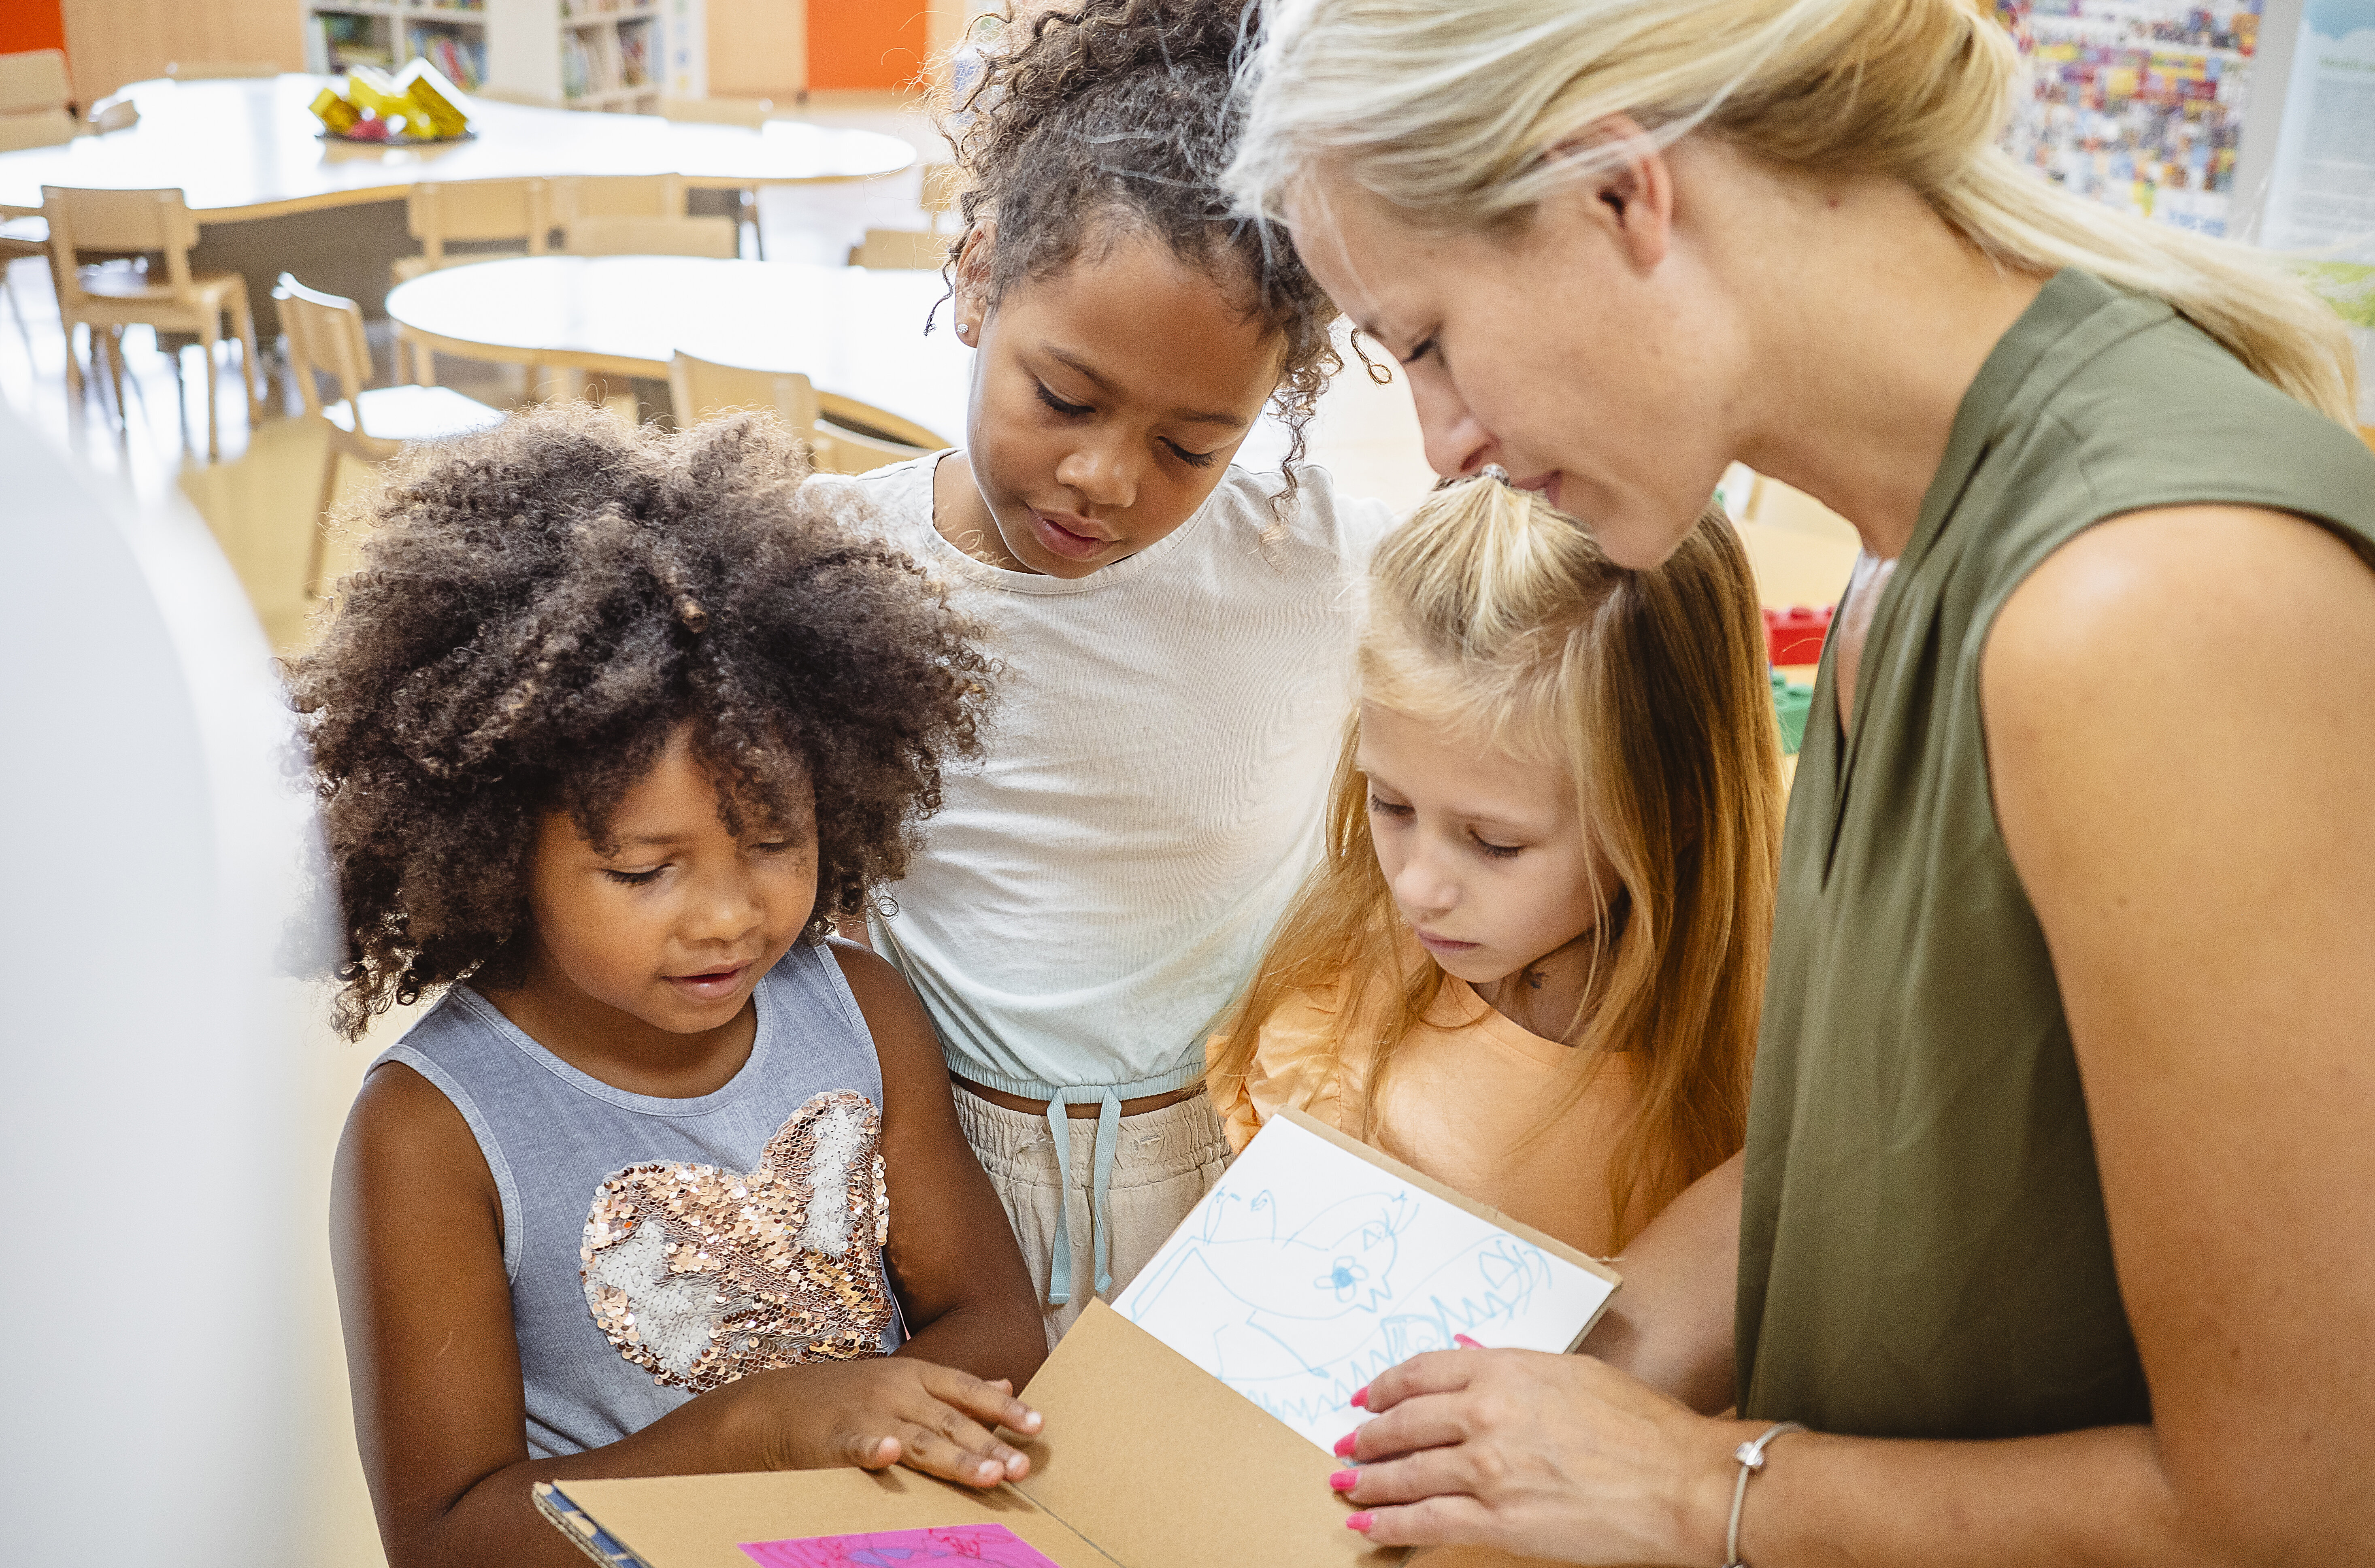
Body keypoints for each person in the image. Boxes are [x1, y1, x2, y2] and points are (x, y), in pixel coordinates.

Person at [1225, 0, 2375, 1561]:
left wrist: (1698, 1487)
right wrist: (1531, 1395)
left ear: (1620, 193)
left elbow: (2294, 1511)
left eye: (1427, 338)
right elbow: (1873, 1141)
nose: (1440, 441)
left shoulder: (2146, 604)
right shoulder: (1904, 555)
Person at [300, 406, 1049, 1568]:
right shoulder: (431, 1135)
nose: (730, 916)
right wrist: (763, 1429)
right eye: (644, 869)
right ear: (500, 849)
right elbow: (451, 1538)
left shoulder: (863, 1012)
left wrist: (880, 1426)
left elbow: (997, 1317)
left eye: (775, 840)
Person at [817, 0, 1390, 1344]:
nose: (1106, 480)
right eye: (1063, 399)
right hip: (925, 1190)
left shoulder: (1321, 566)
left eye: (1192, 446)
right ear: (973, 279)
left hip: (1234, 1181)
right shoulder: (830, 566)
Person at [1206, 473, 1783, 1262]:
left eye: (1493, 843)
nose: (1414, 886)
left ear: (1672, 809)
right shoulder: (1344, 987)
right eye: (1391, 804)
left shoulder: (1771, 1067)